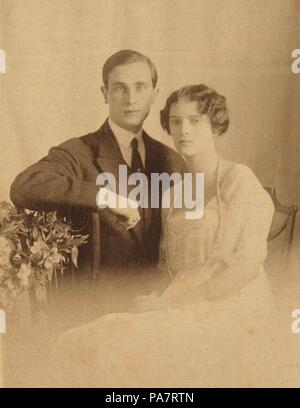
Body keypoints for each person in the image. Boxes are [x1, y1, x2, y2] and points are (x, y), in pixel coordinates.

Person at [53, 84, 286, 387]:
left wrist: (170, 305)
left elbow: (245, 268)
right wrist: (158, 299)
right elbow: (171, 269)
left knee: (111, 345)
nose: (183, 130)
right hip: (180, 306)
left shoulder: (237, 179)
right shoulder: (174, 195)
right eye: (175, 121)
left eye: (195, 121)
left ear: (215, 127)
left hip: (233, 309)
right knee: (78, 339)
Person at [9, 50, 186, 320]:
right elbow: (25, 186)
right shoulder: (80, 151)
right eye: (119, 88)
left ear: (155, 93)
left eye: (140, 87)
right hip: (92, 314)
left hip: (154, 313)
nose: (131, 98)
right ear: (104, 93)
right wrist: (105, 197)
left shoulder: (172, 161)